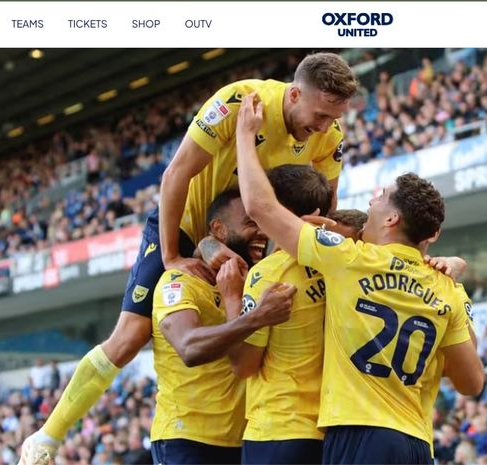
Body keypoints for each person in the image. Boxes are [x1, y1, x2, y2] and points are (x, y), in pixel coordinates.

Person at [19, 52, 358, 465]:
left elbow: (324, 202)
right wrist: (173, 254)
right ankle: (47, 436)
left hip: (246, 235)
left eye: (333, 118)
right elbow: (175, 173)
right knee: (129, 337)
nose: (324, 126)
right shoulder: (239, 102)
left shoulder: (330, 133)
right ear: (293, 95)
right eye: (320, 114)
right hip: (187, 223)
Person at [234, 94, 483, 464]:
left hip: (358, 435)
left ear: (391, 220)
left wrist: (244, 136)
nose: (372, 199)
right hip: (417, 444)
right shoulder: (446, 285)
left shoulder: (349, 260)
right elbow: (471, 383)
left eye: (381, 196)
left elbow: (260, 208)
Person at [149, 188, 297, 465]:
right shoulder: (180, 282)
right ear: (218, 229)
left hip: (246, 438)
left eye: (262, 222)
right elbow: (189, 347)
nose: (262, 232)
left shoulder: (257, 278)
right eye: (251, 223)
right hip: (187, 439)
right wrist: (256, 317)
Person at [226, 165, 350, 464]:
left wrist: (232, 298)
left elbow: (243, 365)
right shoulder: (347, 262)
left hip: (277, 429)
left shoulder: (267, 274)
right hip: (332, 430)